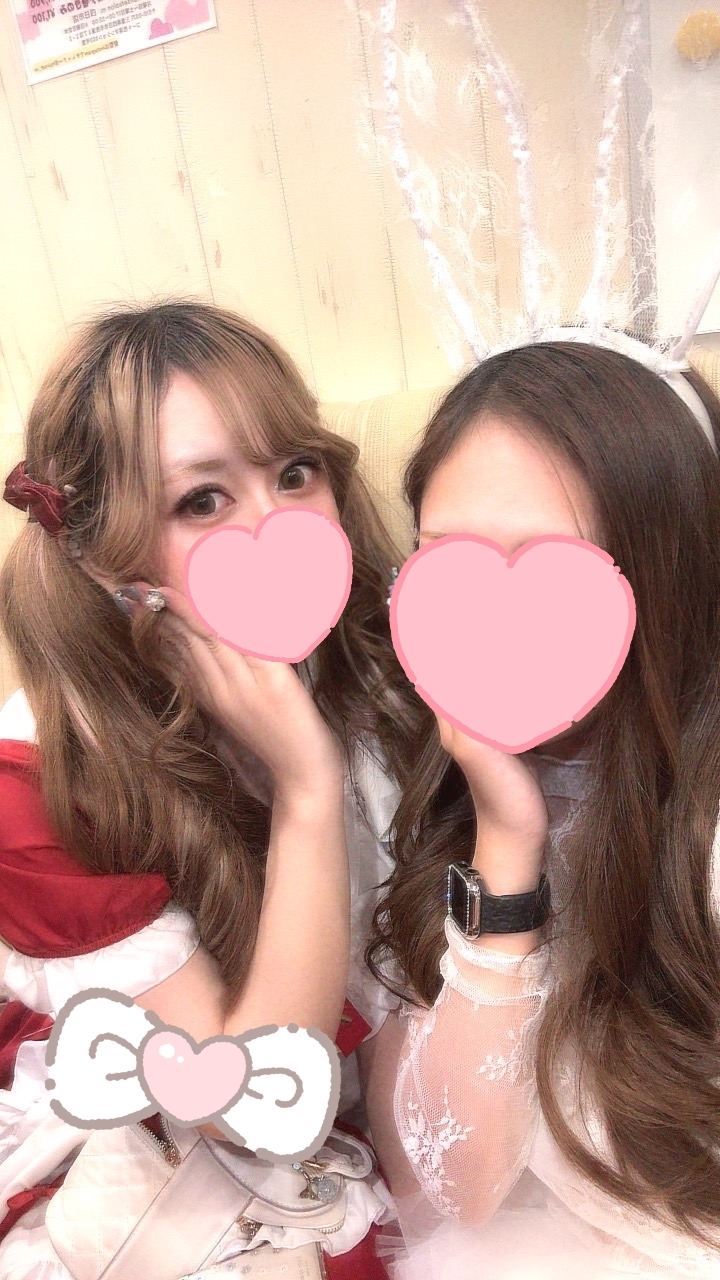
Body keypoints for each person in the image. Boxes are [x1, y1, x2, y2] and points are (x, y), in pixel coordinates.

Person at [0, 301, 419, 1279]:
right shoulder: (36, 787)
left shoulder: (367, 654)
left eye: (294, 472)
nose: (278, 526)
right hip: (163, 1156)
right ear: (104, 558)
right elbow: (253, 1110)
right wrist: (306, 786)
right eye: (202, 500)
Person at [363, 341, 720, 1279]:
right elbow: (460, 1184)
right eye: (447, 560)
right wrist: (507, 842)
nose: (491, 620)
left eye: (555, 564)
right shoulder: (430, 766)